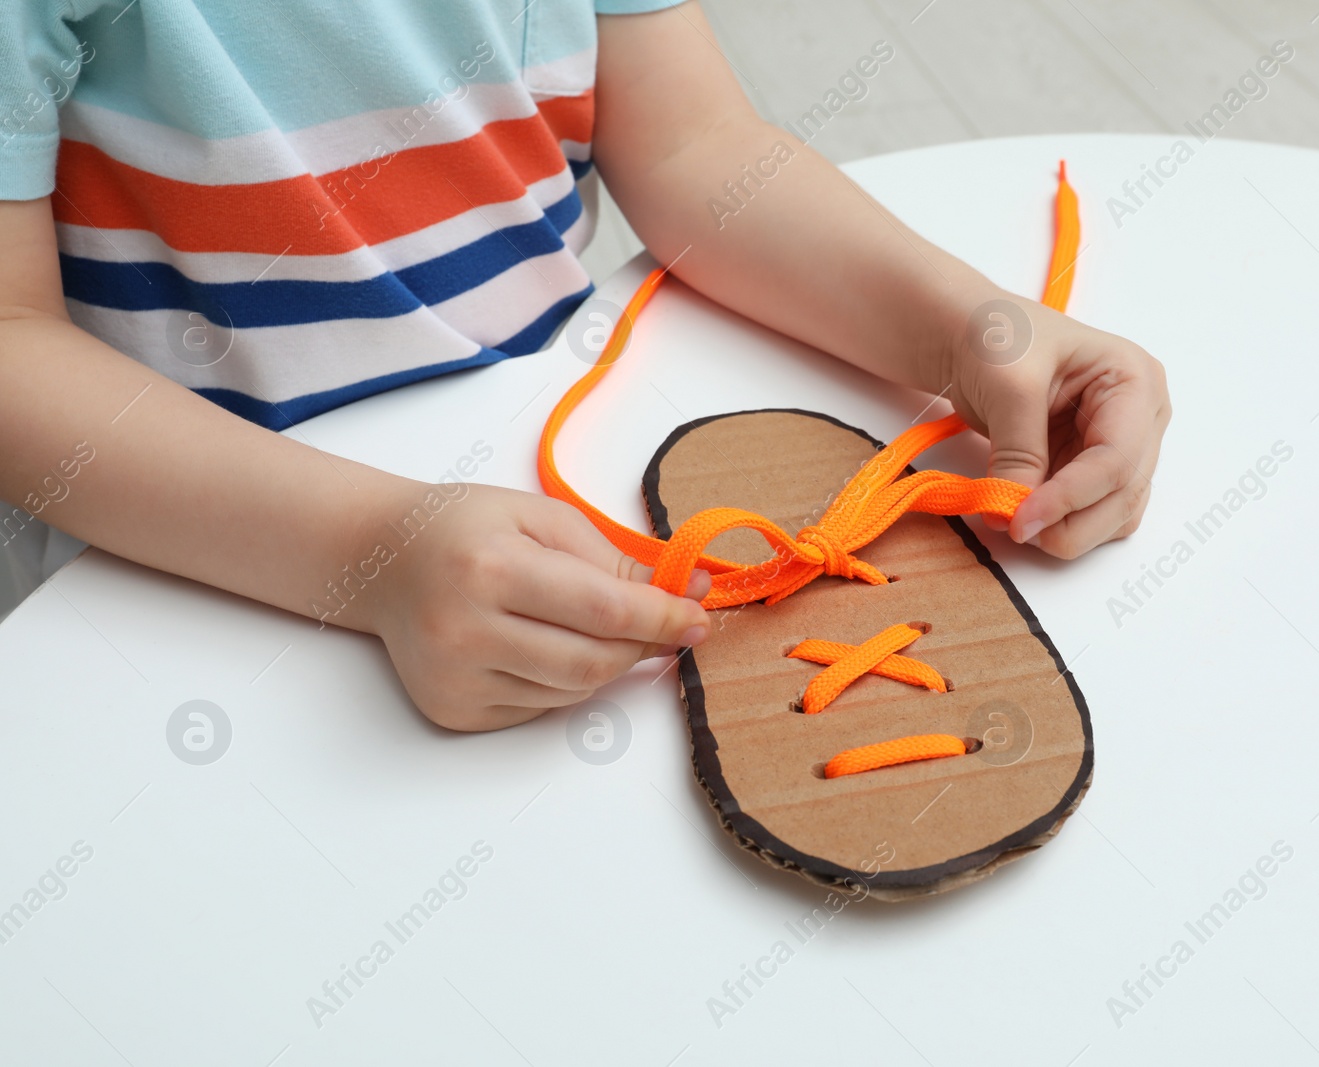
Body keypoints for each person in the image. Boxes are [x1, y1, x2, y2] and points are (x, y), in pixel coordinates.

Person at [0, 0, 1169, 730]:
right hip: (201, 570)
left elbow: (693, 147)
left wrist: (967, 333)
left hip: (552, 498)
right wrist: (367, 555)